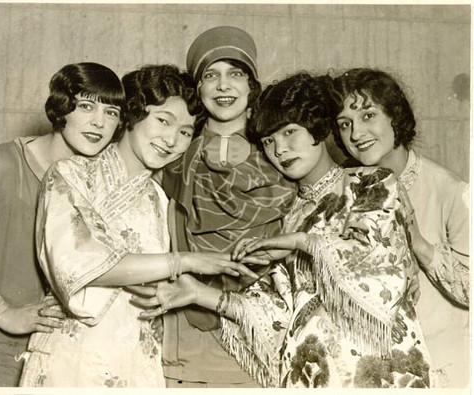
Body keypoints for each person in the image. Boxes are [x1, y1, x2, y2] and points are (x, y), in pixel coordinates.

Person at [132, 72, 433, 388]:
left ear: (318, 127)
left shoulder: (369, 182)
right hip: (315, 375)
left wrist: (298, 242)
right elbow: (276, 310)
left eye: (290, 132)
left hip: (379, 370)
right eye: (269, 141)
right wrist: (197, 292)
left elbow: (371, 254)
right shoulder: (288, 213)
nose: (281, 150)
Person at [17, 64, 257, 388]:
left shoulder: (160, 200)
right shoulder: (68, 174)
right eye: (163, 121)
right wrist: (180, 262)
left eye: (186, 132)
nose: (172, 139)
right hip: (72, 355)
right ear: (132, 115)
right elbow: (78, 263)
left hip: (133, 358)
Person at [159, 26, 296, 388]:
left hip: (265, 320)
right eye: (211, 75)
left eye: (235, 74)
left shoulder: (283, 150)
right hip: (185, 322)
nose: (223, 86)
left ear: (252, 86)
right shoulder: (172, 150)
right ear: (198, 88)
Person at [0, 62, 125, 386]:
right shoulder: (2, 163)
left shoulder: (101, 183)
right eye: (86, 106)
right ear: (61, 108)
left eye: (111, 112)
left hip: (59, 356)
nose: (99, 123)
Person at [331, 68, 469, 387]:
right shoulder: (343, 189)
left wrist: (417, 241)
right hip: (372, 366)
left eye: (368, 115)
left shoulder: (451, 189)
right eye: (344, 124)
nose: (356, 134)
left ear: (396, 116)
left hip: (445, 364)